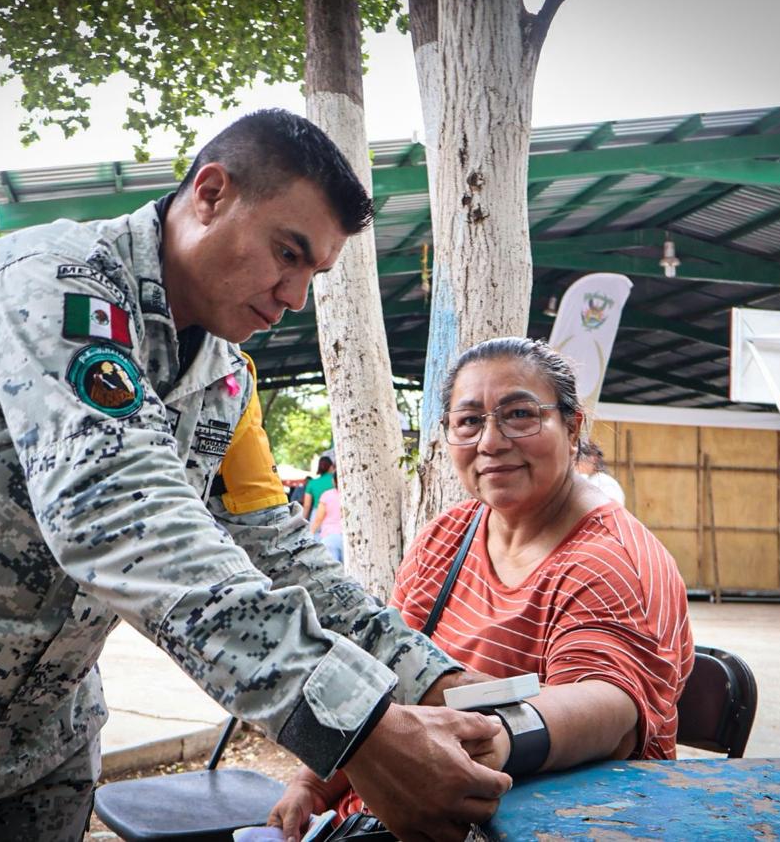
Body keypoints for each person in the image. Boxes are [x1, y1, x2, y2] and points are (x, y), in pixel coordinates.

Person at [0, 109, 510, 842]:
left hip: (38, 749)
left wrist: (437, 683)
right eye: (288, 253)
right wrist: (355, 725)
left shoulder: (226, 380)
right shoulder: (52, 279)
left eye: (315, 273)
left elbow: (277, 550)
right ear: (210, 193)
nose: (296, 297)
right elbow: (119, 513)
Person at [269, 337, 694, 840]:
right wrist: (314, 784)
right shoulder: (446, 537)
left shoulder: (610, 561)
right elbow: (386, 676)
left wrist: (496, 737)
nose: (491, 442)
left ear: (572, 427)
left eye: (520, 415)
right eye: (469, 421)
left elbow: (610, 710)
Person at [575, 439, 625, 506]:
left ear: (593, 459)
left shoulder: (607, 483)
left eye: (577, 461)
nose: (576, 465)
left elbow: (610, 508)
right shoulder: (587, 479)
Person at [310, 473, 344, 562]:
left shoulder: (327, 495)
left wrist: (310, 534)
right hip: (347, 537)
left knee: (332, 568)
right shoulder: (350, 495)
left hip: (330, 537)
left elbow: (318, 519)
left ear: (333, 481)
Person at [302, 453, 336, 519]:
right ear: (331, 466)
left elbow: (307, 506)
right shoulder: (336, 480)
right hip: (335, 513)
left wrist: (303, 520)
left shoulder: (311, 483)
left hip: (317, 514)